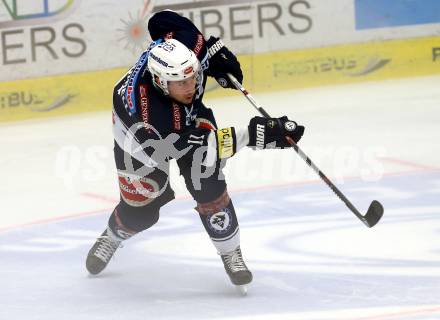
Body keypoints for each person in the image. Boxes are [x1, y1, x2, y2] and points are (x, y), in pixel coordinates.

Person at [85, 10, 304, 289]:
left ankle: (230, 253)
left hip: (189, 119)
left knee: (207, 179)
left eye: (193, 77)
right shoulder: (146, 115)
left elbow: (161, 20)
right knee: (141, 211)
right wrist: (255, 133)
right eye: (181, 82)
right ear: (161, 82)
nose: (191, 86)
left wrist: (215, 54)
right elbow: (184, 147)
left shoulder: (185, 46)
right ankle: (112, 236)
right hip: (141, 145)